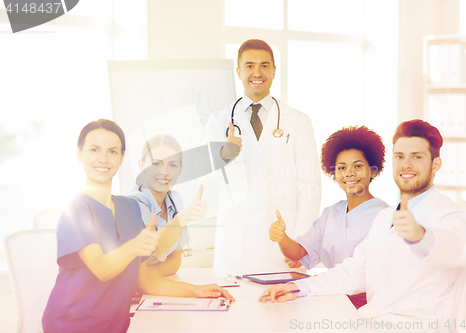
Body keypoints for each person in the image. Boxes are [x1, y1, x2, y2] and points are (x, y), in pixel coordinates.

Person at [259, 120, 466, 333]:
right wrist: (297, 289)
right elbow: (354, 272)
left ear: (435, 164)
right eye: (400, 156)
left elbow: (459, 249)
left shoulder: (450, 216)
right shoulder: (385, 218)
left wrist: (421, 236)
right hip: (372, 322)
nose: (406, 164)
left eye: (417, 157)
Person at [42, 119, 233, 333]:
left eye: (113, 151)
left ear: (122, 158)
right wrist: (135, 246)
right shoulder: (75, 210)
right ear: (79, 154)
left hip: (115, 326)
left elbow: (144, 281)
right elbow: (102, 270)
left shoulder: (129, 207)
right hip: (72, 325)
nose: (103, 158)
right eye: (94, 149)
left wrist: (196, 291)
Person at [204, 39, 322, 273]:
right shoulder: (218, 122)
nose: (257, 72)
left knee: (283, 306)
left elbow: (309, 185)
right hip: (235, 244)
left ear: (274, 71)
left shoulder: (298, 121)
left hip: (282, 243)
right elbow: (205, 179)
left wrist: (301, 244)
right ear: (238, 72)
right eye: (249, 66)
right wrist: (222, 154)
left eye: (264, 66)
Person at [268, 126, 388, 308]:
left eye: (358, 166)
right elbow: (297, 253)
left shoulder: (386, 216)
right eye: (342, 167)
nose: (349, 173)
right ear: (334, 173)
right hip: (329, 296)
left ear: (373, 171)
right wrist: (282, 237)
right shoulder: (330, 214)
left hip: (368, 304)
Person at [125, 134, 207, 277]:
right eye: (156, 164)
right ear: (141, 165)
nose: (164, 172)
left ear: (180, 170)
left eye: (172, 165)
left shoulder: (175, 200)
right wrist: (183, 217)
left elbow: (175, 260)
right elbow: (153, 249)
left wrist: (145, 278)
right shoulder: (131, 203)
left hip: (149, 285)